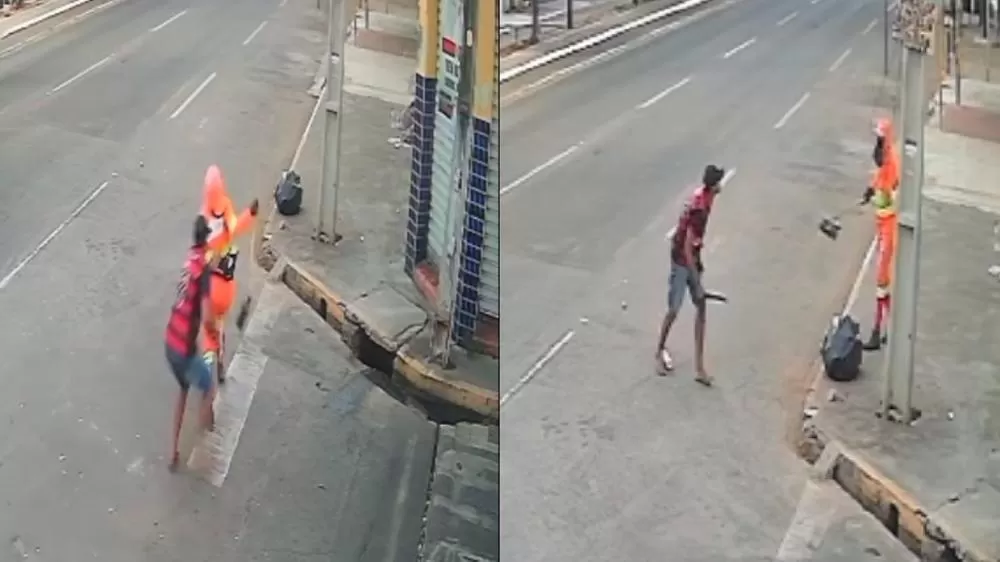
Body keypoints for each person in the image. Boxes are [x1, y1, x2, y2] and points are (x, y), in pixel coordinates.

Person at [655, 164, 725, 386]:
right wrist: (695, 279)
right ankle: (659, 350)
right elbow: (686, 246)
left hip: (691, 257)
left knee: (701, 307)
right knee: (674, 309)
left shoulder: (702, 197)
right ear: (713, 186)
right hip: (681, 261)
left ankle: (699, 368)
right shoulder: (700, 211)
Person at [165, 215, 219, 472]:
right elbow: (208, 316)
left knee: (183, 389)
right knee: (209, 388)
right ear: (207, 239)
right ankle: (202, 433)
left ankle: (173, 450)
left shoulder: (189, 261)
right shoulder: (205, 272)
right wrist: (214, 332)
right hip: (184, 349)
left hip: (169, 344)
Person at [200, 165, 258, 382]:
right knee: (221, 323)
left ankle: (207, 362)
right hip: (226, 287)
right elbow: (237, 227)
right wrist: (251, 214)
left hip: (209, 289)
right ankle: (221, 362)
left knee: (208, 331)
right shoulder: (225, 209)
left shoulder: (203, 217)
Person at [860, 118, 899, 351]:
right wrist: (870, 189)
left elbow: (891, 200)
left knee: (881, 281)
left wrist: (876, 196)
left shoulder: (892, 164)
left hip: (889, 227)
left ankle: (878, 329)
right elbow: (878, 178)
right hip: (882, 225)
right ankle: (891, 328)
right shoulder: (885, 162)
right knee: (882, 282)